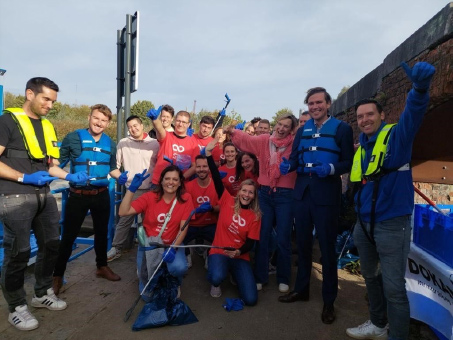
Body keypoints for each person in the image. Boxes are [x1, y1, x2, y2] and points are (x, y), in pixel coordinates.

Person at [346, 62, 435, 340]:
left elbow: (413, 115)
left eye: (370, 114)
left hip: (391, 224)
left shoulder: (396, 137)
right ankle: (377, 323)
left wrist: (419, 90)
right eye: (360, 116)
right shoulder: (361, 146)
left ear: (381, 115)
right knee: (370, 277)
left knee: (394, 287)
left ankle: (397, 335)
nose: (364, 119)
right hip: (365, 223)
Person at [0, 77, 89, 331]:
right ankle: (16, 306)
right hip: (14, 195)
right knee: (18, 252)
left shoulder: (47, 126)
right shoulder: (7, 122)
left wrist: (69, 175)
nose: (50, 105)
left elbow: (51, 165)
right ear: (30, 94)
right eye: (46, 99)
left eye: (53, 101)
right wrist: (23, 177)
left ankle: (41, 294)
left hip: (43, 195)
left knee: (52, 245)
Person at [279, 87, 354, 325]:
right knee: (301, 244)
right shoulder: (302, 131)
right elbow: (294, 158)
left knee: (327, 248)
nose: (314, 107)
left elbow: (348, 161)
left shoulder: (342, 128)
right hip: (302, 194)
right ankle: (302, 290)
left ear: (328, 103)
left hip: (326, 195)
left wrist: (331, 169)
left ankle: (329, 300)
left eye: (319, 102)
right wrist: (288, 167)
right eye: (310, 103)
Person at [53, 104, 126, 293]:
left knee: (102, 233)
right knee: (68, 236)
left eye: (103, 120)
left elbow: (112, 168)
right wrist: (68, 176)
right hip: (78, 195)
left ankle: (101, 266)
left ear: (108, 123)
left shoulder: (110, 143)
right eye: (96, 118)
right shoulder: (73, 138)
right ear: (89, 117)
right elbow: (56, 165)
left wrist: (124, 177)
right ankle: (57, 275)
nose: (99, 123)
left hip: (101, 195)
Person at [224, 113, 298, 294]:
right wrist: (233, 131)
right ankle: (261, 276)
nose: (281, 128)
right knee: (262, 236)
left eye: (286, 126)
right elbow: (247, 141)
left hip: (286, 194)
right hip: (265, 193)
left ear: (292, 129)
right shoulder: (265, 140)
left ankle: (284, 277)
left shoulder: (296, 143)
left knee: (283, 238)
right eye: (279, 124)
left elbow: (308, 155)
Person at [204, 137, 261, 305]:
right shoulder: (227, 200)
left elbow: (250, 243)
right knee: (216, 276)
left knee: (250, 300)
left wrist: (238, 252)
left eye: (251, 192)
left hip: (239, 255)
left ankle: (234, 272)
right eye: (244, 190)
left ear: (254, 196)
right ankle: (217, 280)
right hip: (219, 252)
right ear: (239, 191)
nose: (246, 195)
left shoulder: (255, 215)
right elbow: (215, 176)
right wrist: (208, 154)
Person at [118, 165, 194, 292]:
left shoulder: (186, 199)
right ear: (161, 181)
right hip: (150, 245)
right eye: (167, 179)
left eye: (175, 179)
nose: (171, 182)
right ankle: (147, 270)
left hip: (171, 244)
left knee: (179, 267)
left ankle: (175, 282)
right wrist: (131, 189)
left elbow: (183, 228)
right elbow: (123, 212)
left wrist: (173, 249)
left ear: (180, 182)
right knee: (147, 294)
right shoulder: (149, 197)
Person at [107, 115, 159, 262]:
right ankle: (116, 248)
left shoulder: (155, 144)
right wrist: (119, 177)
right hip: (132, 190)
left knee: (149, 221)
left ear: (142, 126)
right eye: (130, 127)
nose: (133, 129)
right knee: (124, 219)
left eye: (135, 125)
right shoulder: (123, 143)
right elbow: (114, 168)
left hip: (151, 189)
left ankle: (148, 248)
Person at [183, 155, 220, 268]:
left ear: (209, 168)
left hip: (210, 223)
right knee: (178, 236)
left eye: (205, 166)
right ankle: (187, 253)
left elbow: (223, 207)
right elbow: (183, 209)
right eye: (198, 167)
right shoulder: (188, 186)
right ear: (195, 169)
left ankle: (209, 254)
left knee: (220, 240)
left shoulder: (217, 185)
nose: (201, 169)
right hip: (192, 224)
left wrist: (212, 208)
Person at [147, 106, 198, 185]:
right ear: (174, 121)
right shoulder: (167, 136)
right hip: (159, 182)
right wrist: (155, 120)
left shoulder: (193, 143)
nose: (180, 124)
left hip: (181, 184)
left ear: (189, 124)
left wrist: (181, 178)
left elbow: (195, 166)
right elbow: (160, 129)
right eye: (178, 121)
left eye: (184, 122)